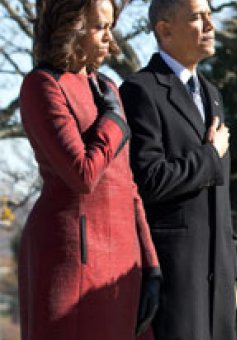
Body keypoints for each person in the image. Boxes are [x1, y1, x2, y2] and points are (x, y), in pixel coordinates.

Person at [18, 0, 161, 339]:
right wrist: (112, 122)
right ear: (72, 27)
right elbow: (81, 173)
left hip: (124, 261)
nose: (109, 39)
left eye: (111, 27)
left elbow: (129, 187)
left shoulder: (107, 87)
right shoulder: (42, 85)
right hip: (70, 258)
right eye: (100, 27)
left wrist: (150, 263)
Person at [118, 0, 237, 339]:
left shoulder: (212, 94)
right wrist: (210, 156)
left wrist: (234, 275)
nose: (210, 26)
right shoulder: (140, 90)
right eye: (197, 18)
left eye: (210, 16)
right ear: (165, 29)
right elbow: (149, 180)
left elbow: (222, 196)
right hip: (177, 274)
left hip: (219, 272)